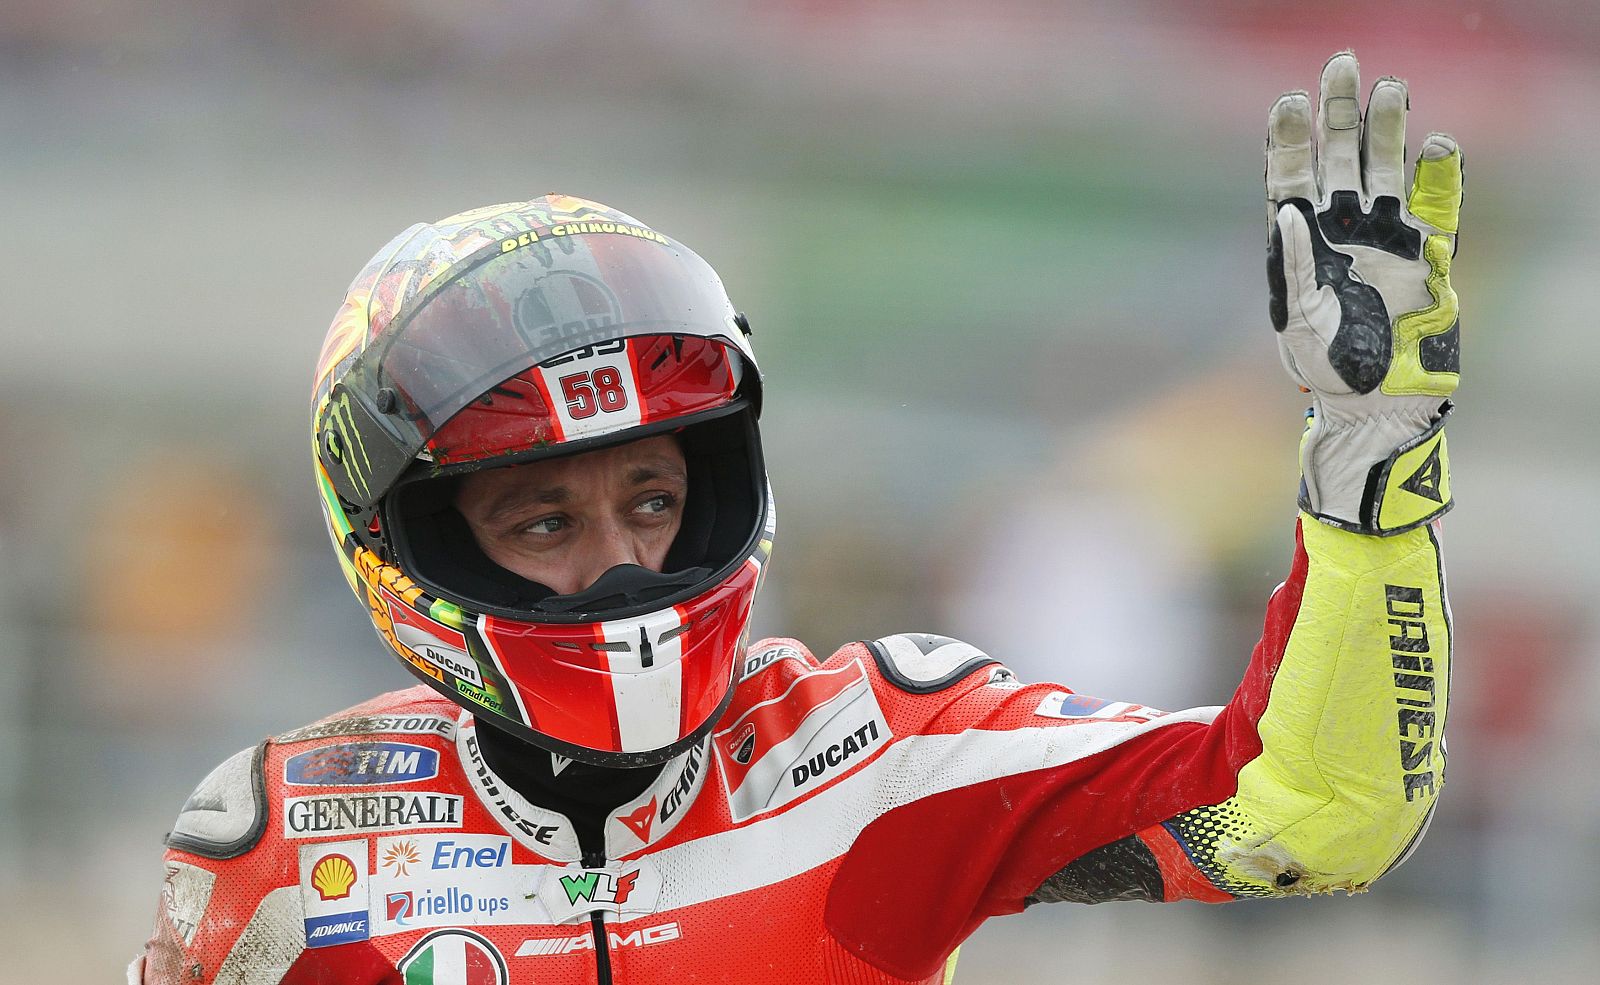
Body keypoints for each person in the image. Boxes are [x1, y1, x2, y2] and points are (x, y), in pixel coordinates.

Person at [131, 51, 1463, 985]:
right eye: (544, 519)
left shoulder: (882, 753)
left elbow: (1313, 812)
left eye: (652, 498)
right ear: (408, 546)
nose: (621, 563)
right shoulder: (286, 837)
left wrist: (1367, 471)